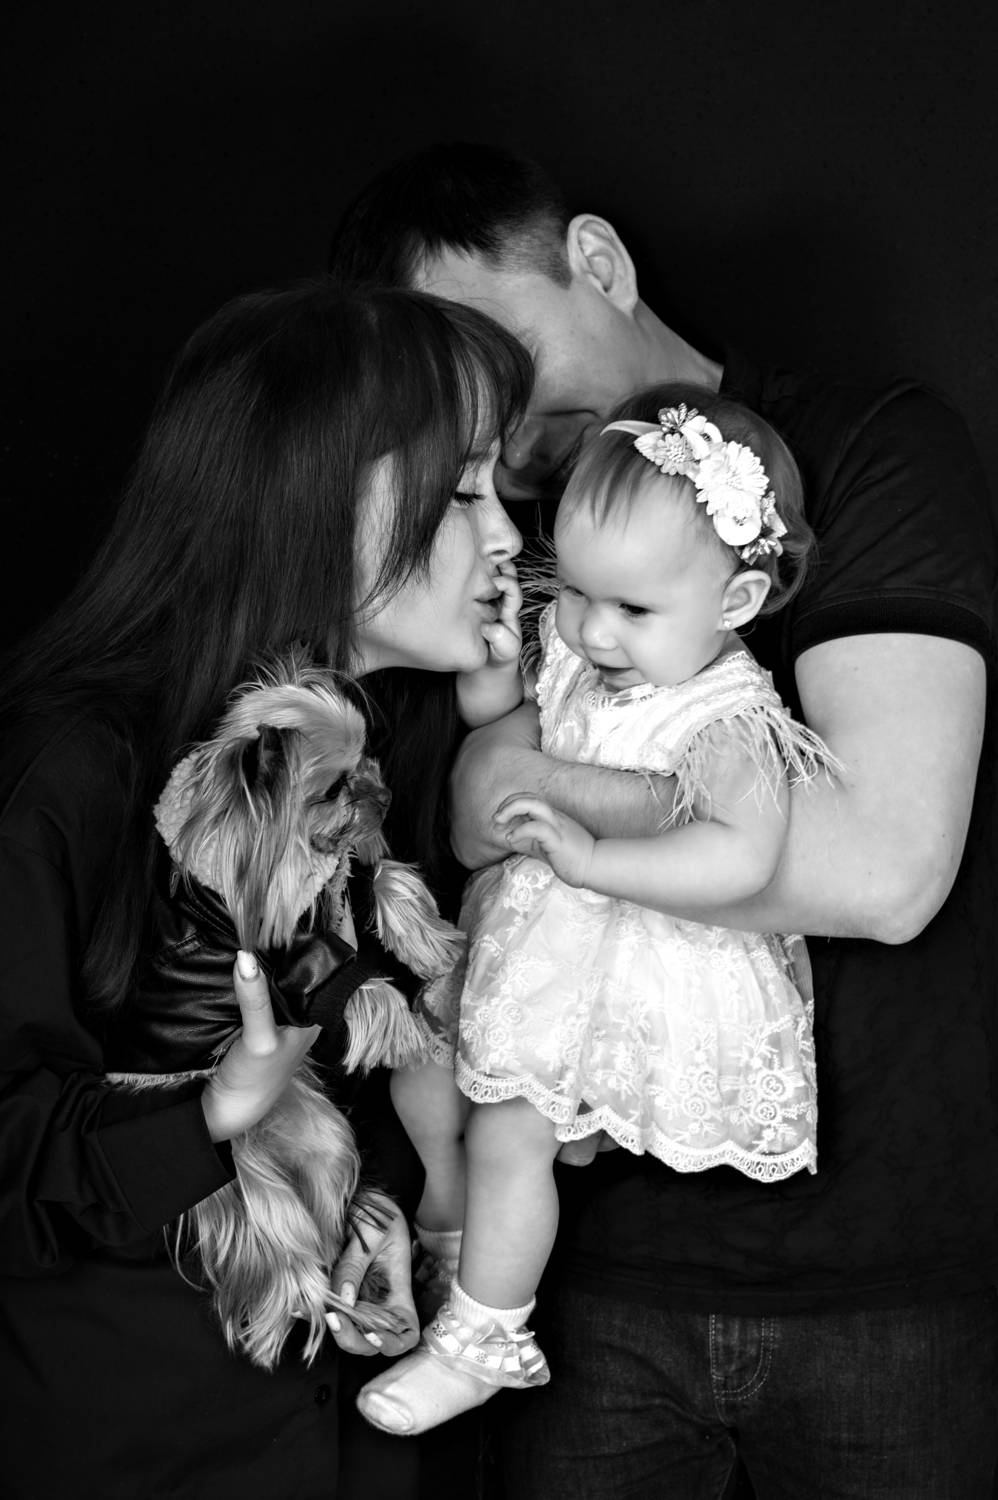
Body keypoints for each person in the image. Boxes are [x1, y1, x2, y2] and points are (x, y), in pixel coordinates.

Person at [328, 144, 998, 1495]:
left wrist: (538, 799)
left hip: (878, 1274)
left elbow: (882, 870)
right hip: (579, 1275)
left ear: (597, 261)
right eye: (453, 386)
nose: (498, 423)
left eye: (503, 352)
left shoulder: (862, 449)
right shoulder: (491, 520)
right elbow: (433, 838)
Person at [0, 277, 531, 1500]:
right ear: (315, 491)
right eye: (461, 491)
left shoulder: (377, 753)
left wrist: (370, 1222)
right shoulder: (66, 773)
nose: (507, 538)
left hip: (348, 1438)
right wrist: (204, 1119)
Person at [355, 383, 841, 1439]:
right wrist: (494, 680)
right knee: (423, 1071)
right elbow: (528, 716)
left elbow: (741, 858)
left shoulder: (729, 716)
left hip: (637, 961)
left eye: (630, 610)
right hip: (535, 942)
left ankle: (483, 1338)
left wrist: (593, 859)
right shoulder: (584, 644)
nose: (592, 629)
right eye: (573, 592)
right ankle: (455, 1239)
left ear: (736, 601)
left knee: (511, 1132)